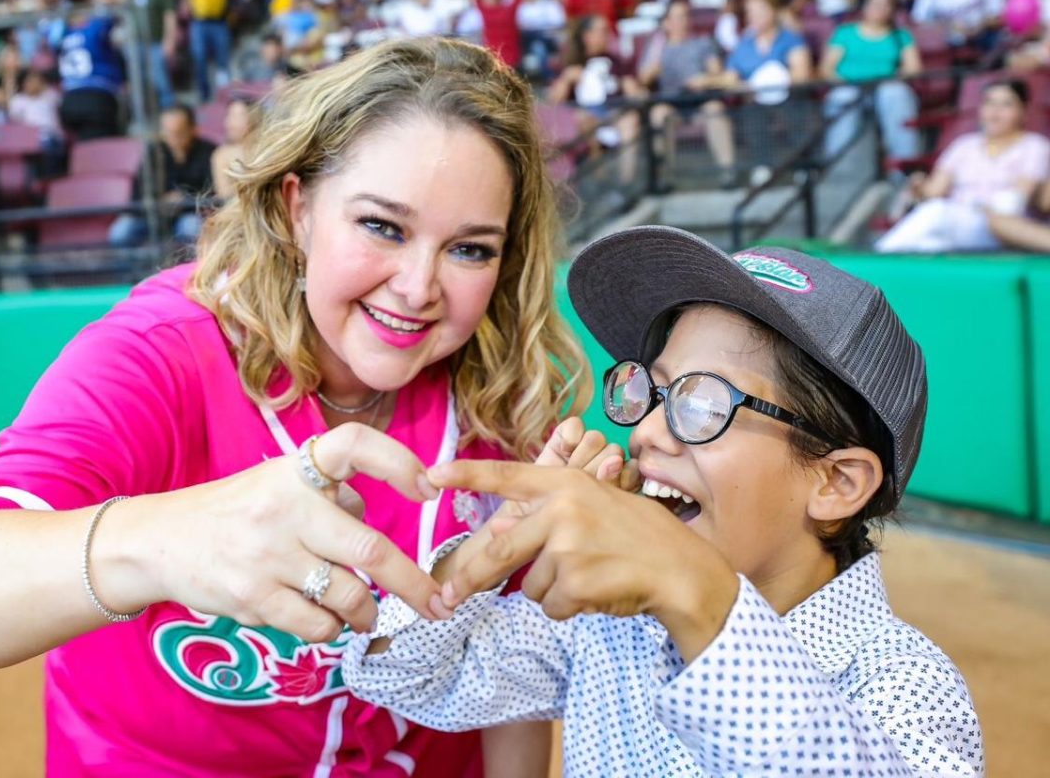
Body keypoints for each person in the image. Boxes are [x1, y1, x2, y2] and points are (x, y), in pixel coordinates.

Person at [0, 37, 585, 777]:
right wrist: (168, 541)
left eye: (471, 249)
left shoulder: (503, 389)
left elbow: (511, 689)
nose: (419, 286)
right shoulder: (164, 350)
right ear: (298, 208)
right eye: (382, 226)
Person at [343, 225, 984, 776]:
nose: (644, 431)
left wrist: (703, 601)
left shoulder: (908, 688)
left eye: (702, 403)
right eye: (650, 391)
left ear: (836, 482)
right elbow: (400, 677)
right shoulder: (610, 629)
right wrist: (500, 543)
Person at [877, 78, 1050, 252]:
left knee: (936, 212)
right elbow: (935, 190)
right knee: (928, 244)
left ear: (1024, 111)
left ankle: (878, 258)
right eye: (989, 103)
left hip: (1002, 227)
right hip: (957, 224)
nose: (995, 112)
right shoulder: (964, 145)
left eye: (1006, 105)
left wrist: (978, 208)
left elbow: (1014, 201)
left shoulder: (1035, 146)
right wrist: (919, 186)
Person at [712, 0, 814, 185]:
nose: (753, 16)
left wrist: (772, 81)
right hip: (756, 101)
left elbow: (801, 74)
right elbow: (731, 78)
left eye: (759, 11)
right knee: (751, 109)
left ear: (774, 11)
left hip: (789, 97)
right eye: (750, 12)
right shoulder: (744, 44)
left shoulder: (790, 39)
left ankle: (803, 165)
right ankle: (762, 165)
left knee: (795, 107)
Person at [638, 0, 737, 188]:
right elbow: (644, 78)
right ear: (666, 22)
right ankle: (664, 177)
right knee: (659, 114)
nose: (682, 21)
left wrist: (704, 80)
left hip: (701, 100)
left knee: (715, 109)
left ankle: (728, 173)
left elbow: (718, 74)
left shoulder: (703, 43)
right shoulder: (657, 47)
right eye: (676, 17)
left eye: (685, 16)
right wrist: (658, 51)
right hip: (672, 103)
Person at [821, 0, 922, 164]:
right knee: (844, 97)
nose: (880, 8)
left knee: (896, 94)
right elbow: (826, 68)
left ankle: (904, 168)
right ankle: (838, 170)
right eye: (875, 3)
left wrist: (894, 78)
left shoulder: (901, 35)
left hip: (884, 89)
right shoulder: (845, 32)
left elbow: (914, 68)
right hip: (850, 87)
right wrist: (845, 83)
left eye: (886, 4)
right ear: (864, 6)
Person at [549, 15, 646, 189]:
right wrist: (567, 79)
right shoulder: (571, 62)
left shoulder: (616, 62)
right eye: (602, 31)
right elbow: (554, 101)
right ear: (587, 36)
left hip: (614, 113)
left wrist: (630, 86)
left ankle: (626, 184)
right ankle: (600, 177)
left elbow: (636, 91)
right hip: (585, 117)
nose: (607, 35)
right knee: (584, 118)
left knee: (630, 121)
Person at [110, 104, 217, 247]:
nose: (172, 138)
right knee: (121, 232)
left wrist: (185, 200)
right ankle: (134, 268)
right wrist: (160, 201)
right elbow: (138, 193)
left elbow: (214, 194)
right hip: (155, 214)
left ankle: (192, 269)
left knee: (191, 228)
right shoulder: (155, 152)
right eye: (167, 133)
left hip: (192, 213)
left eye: (178, 133)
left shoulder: (209, 152)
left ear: (193, 129)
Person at [58, 0, 126, 141]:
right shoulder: (93, 29)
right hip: (98, 97)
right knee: (104, 149)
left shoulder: (63, 35)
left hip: (69, 100)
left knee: (84, 149)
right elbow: (113, 5)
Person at [911, 0, 1004, 50]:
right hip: (947, 43)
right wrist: (947, 26)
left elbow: (1000, 17)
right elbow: (917, 23)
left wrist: (981, 25)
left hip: (984, 38)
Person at [190, 0, 234, 101]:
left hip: (219, 20)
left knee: (222, 59)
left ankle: (224, 93)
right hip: (199, 20)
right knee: (200, 57)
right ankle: (204, 95)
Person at [211, 98, 257, 200]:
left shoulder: (266, 149)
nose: (230, 123)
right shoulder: (221, 154)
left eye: (237, 117)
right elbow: (224, 195)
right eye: (229, 116)